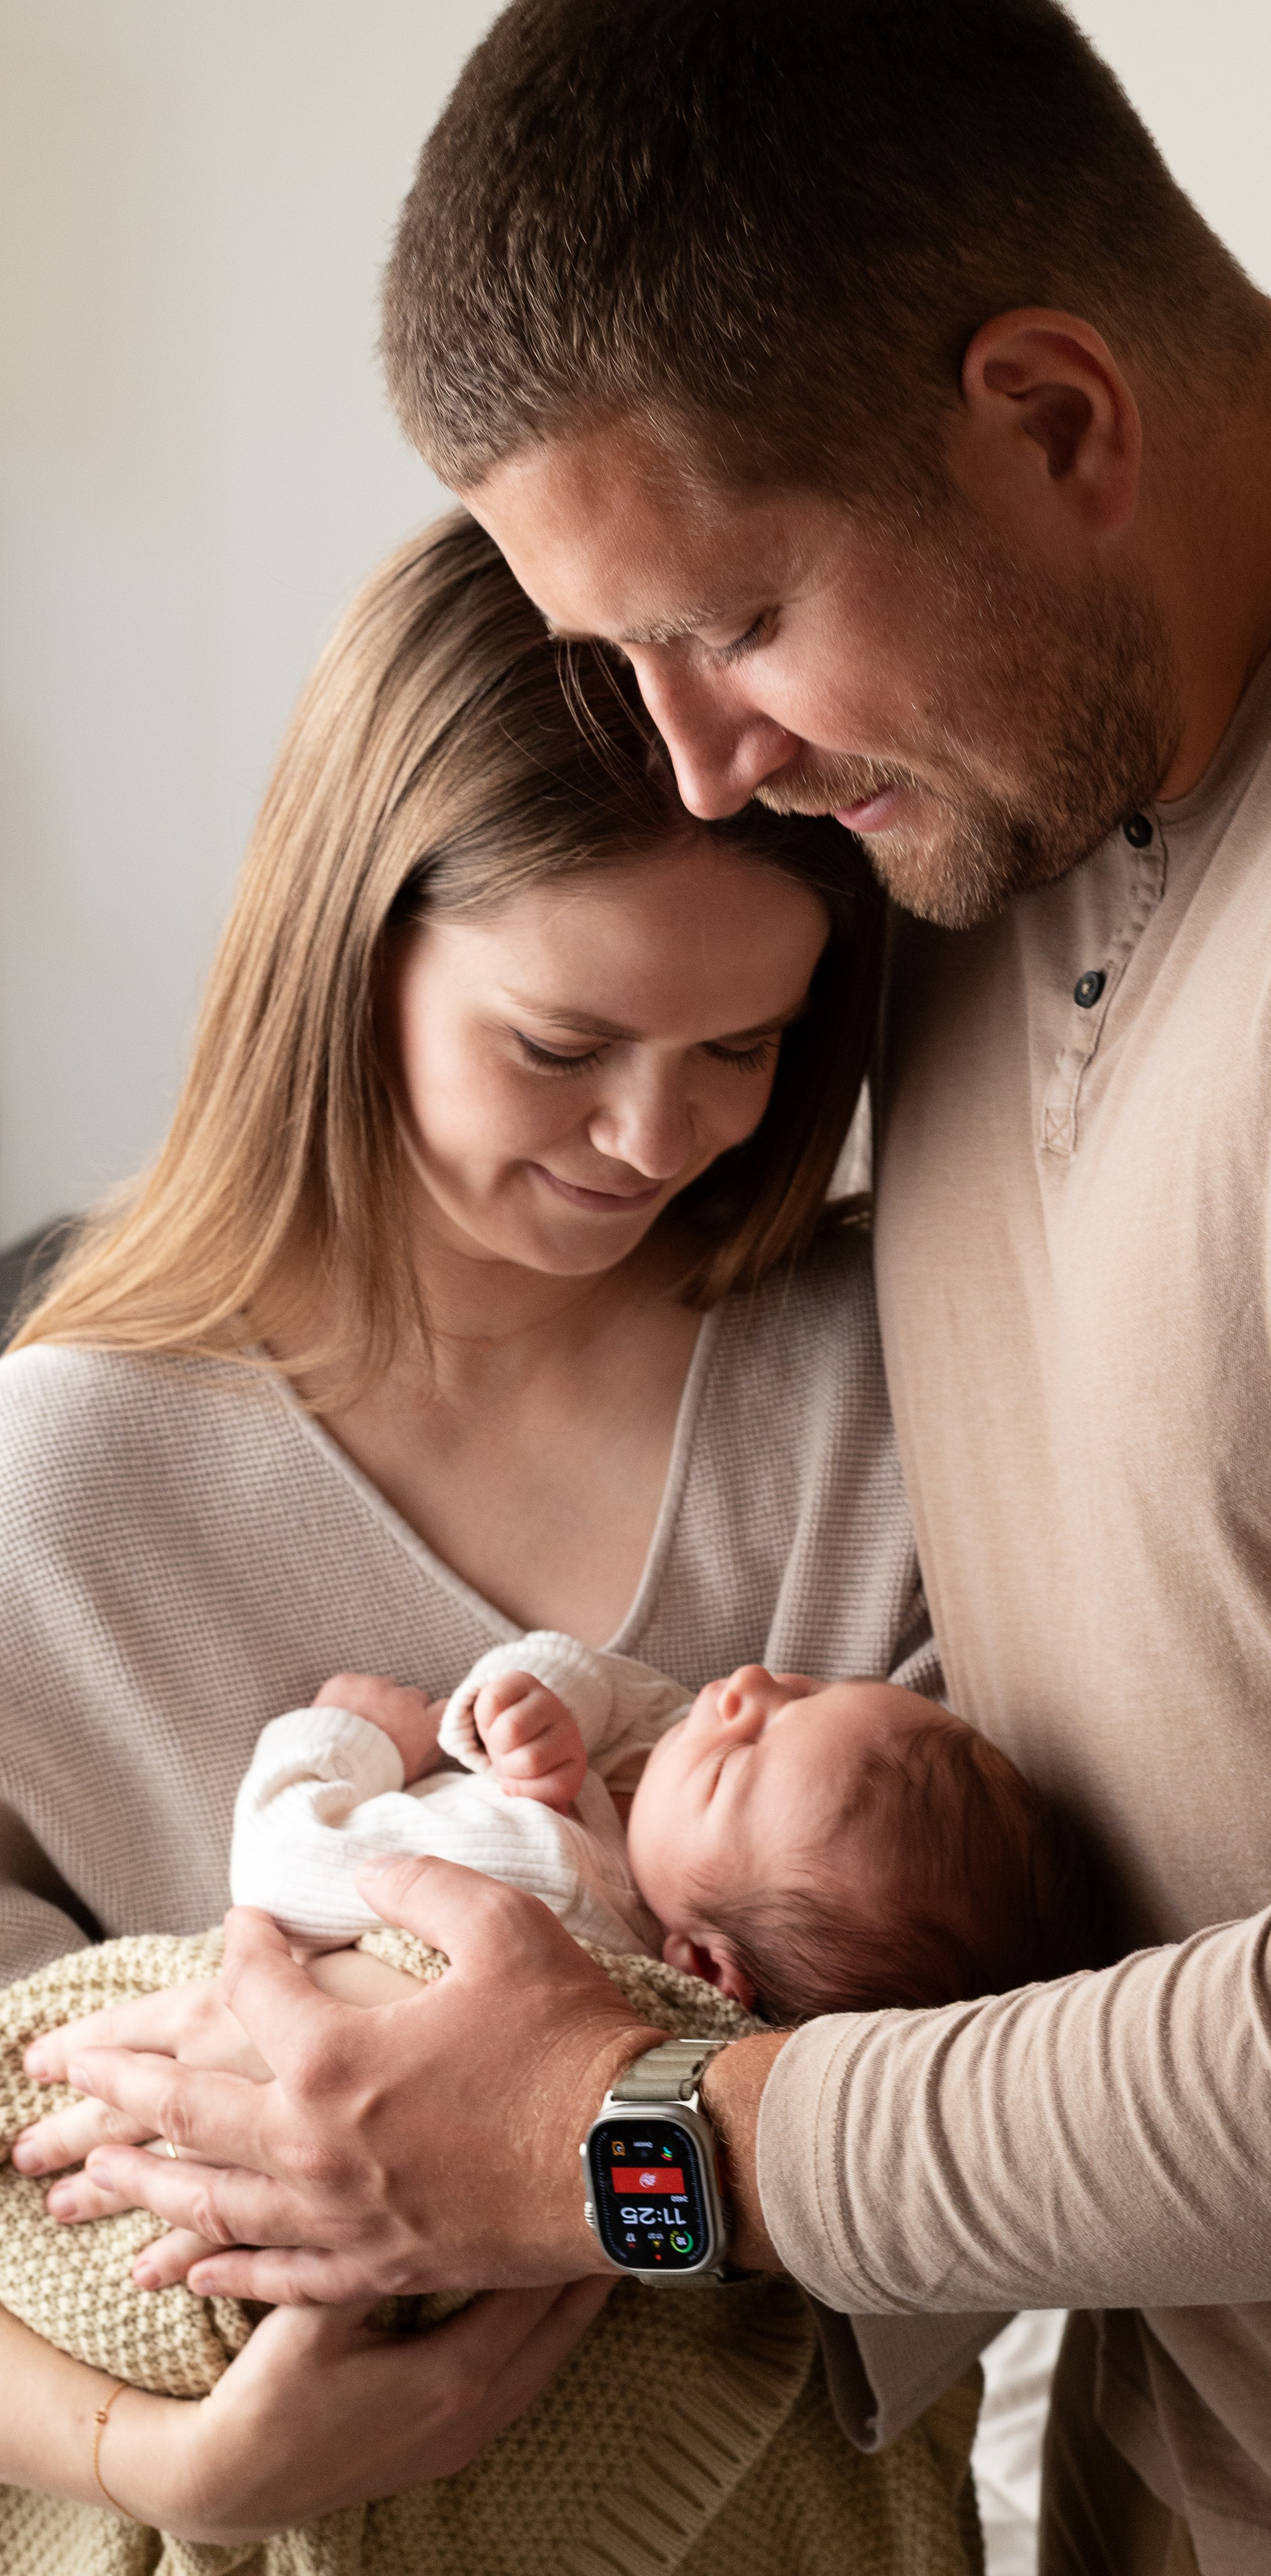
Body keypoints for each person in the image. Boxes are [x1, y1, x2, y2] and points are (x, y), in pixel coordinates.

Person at [26, 3, 1271, 2569]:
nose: (701, 763)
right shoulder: (996, 802)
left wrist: (612, 2150)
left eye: (730, 622)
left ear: (1051, 416)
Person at [0, 505, 974, 2551]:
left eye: (744, 1048)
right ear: (356, 943)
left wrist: (569, 2157)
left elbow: (982, 2116)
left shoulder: (887, 1400)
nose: (653, 1136)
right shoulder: (64, 1477)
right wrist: (158, 2458)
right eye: (560, 1045)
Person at [225, 1642, 1101, 2015]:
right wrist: (538, 1699)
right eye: (807, 1692)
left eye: (738, 1754)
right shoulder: (683, 1850)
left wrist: (353, 1737)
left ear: (708, 1967)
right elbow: (640, 1701)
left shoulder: (547, 1879)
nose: (744, 1685)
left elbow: (280, 1864)